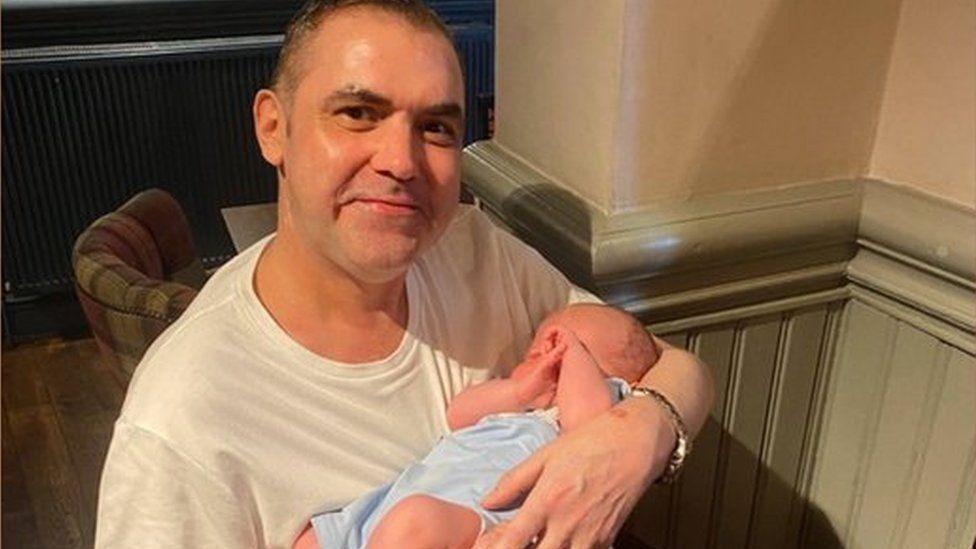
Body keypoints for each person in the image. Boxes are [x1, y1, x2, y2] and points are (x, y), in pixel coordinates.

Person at [94, 1, 714, 548]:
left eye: (435, 127)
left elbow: (671, 365)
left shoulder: (472, 249)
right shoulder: (183, 421)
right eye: (359, 113)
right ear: (273, 128)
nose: (401, 161)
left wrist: (640, 434)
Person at [294, 303, 660, 549]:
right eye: (539, 349)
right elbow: (459, 414)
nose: (548, 355)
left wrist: (573, 356)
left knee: (415, 522)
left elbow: (589, 425)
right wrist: (520, 390)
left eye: (570, 347)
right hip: (387, 505)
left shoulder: (607, 402)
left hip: (472, 518)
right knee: (314, 538)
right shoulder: (517, 406)